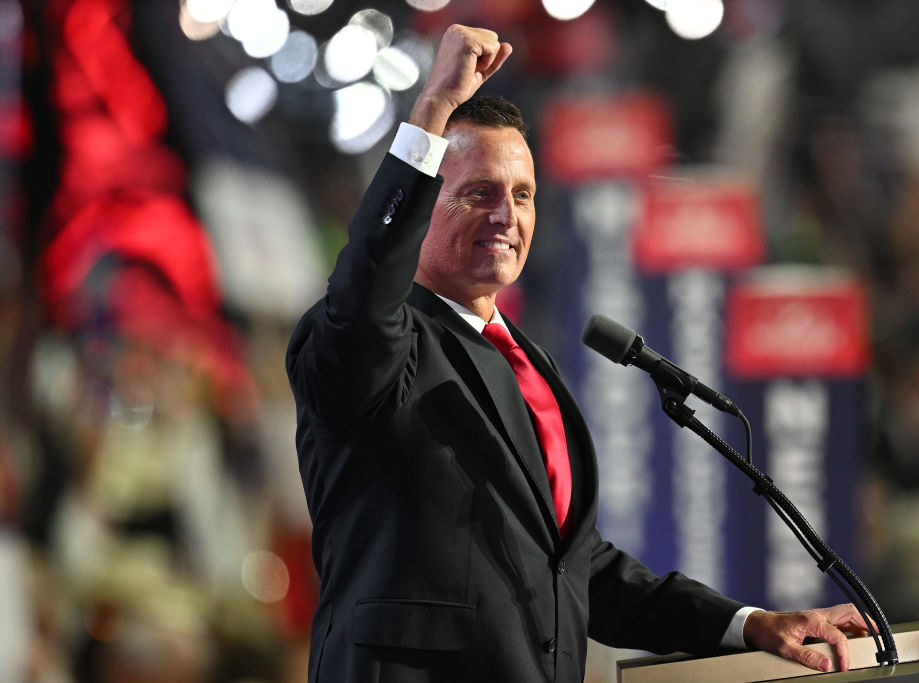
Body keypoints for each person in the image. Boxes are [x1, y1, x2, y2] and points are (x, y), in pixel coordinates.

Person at [286, 24, 870, 683]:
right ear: (423, 204)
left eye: (523, 194)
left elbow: (578, 568)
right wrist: (429, 113)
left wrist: (746, 622)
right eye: (480, 192)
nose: (508, 215)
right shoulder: (366, 344)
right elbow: (363, 291)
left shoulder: (529, 362)